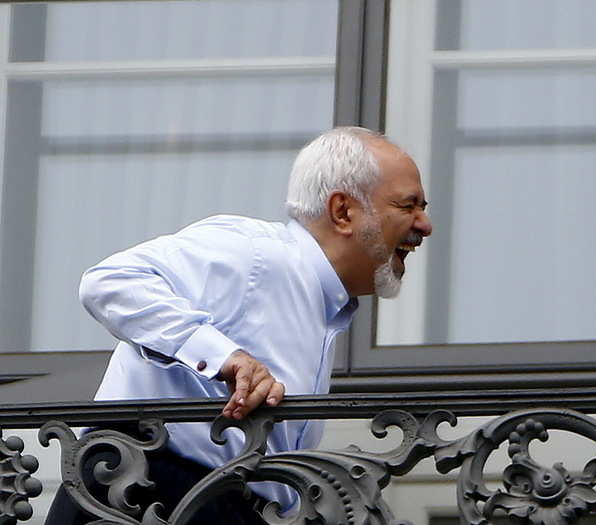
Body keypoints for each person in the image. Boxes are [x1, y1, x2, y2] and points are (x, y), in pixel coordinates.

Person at [46, 127, 432, 524]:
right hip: (145, 491)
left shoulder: (322, 305)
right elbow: (110, 282)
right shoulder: (256, 253)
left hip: (208, 501)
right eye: (408, 206)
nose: (425, 225)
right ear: (343, 212)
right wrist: (224, 357)